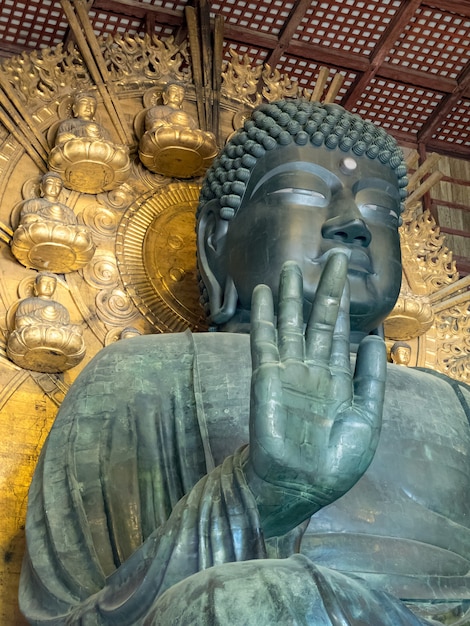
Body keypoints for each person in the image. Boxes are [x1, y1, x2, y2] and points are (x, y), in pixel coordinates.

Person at [19, 100, 470, 624]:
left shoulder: (457, 404)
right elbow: (64, 618)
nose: (352, 225)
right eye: (301, 192)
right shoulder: (136, 374)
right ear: (216, 239)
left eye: (380, 211)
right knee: (251, 601)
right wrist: (257, 496)